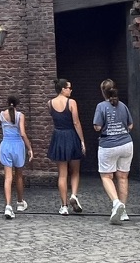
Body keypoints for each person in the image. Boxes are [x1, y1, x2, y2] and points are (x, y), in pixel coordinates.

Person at [94, 79, 135, 224]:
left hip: (108, 145)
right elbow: (131, 125)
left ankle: (116, 203)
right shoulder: (123, 105)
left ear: (102, 91)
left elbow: (97, 127)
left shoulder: (101, 106)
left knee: (106, 176)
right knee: (123, 177)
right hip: (126, 143)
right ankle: (123, 212)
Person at [47, 78, 85, 215]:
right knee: (75, 171)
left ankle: (64, 206)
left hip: (58, 136)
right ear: (63, 89)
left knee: (62, 174)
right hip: (71, 135)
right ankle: (74, 195)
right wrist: (82, 140)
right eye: (69, 88)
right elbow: (76, 122)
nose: (71, 90)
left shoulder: (50, 103)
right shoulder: (71, 102)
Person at [0, 94, 34, 219]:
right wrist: (29, 148)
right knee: (19, 175)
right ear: (17, 104)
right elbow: (23, 133)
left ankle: (8, 206)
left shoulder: (2, 115)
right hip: (18, 145)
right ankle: (20, 202)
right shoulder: (20, 115)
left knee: (8, 177)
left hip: (6, 145)